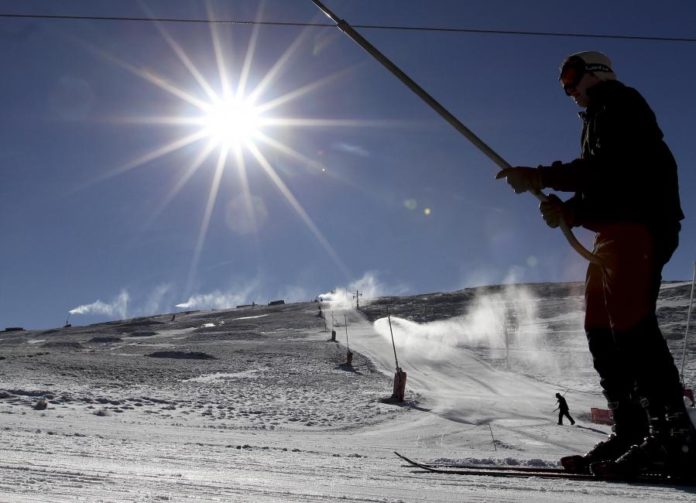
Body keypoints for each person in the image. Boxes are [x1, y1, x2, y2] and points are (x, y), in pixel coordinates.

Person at [496, 51, 693, 479]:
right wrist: (571, 211)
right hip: (614, 233)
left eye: (572, 77)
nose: (568, 89)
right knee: (601, 329)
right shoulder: (596, 120)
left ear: (597, 73)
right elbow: (607, 185)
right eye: (563, 84)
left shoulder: (621, 103)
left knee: (631, 325)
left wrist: (542, 176)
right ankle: (632, 429)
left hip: (640, 227)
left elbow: (611, 168)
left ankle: (673, 435)